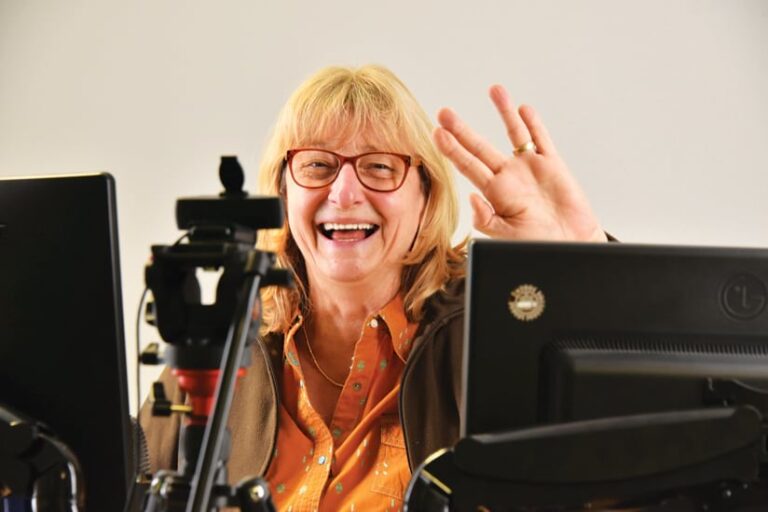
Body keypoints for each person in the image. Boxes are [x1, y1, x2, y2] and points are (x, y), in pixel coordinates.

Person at [141, 64, 607, 511]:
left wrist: (586, 258)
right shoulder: (217, 346)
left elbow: (635, 462)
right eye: (318, 165)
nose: (344, 194)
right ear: (283, 195)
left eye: (380, 167)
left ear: (426, 197)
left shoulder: (493, 331)